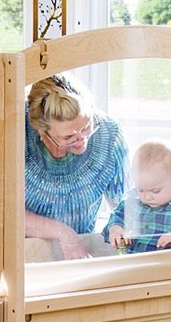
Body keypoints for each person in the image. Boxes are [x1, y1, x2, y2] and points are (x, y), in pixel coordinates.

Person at [25, 73, 129, 260]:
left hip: (79, 251)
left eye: (86, 126)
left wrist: (118, 227)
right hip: (22, 256)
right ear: (40, 130)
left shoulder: (110, 134)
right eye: (68, 138)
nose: (81, 140)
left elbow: (124, 205)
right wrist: (62, 232)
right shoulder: (16, 134)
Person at [104, 139, 171, 253]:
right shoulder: (132, 202)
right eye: (141, 190)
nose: (147, 197)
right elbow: (115, 219)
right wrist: (115, 229)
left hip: (168, 265)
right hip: (133, 262)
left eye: (155, 191)